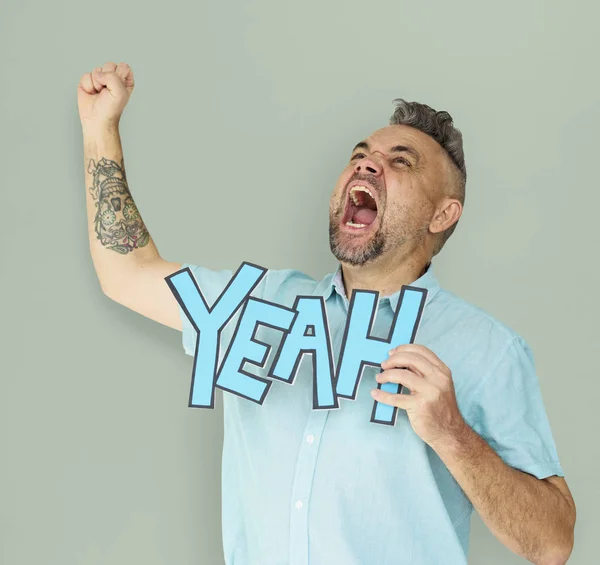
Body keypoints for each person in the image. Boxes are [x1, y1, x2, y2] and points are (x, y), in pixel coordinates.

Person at [77, 61, 576, 565]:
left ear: (442, 214)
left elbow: (553, 543)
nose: (366, 165)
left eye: (401, 162)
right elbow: (127, 274)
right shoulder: (257, 305)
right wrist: (100, 128)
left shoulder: (487, 349)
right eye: (360, 156)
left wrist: (453, 433)